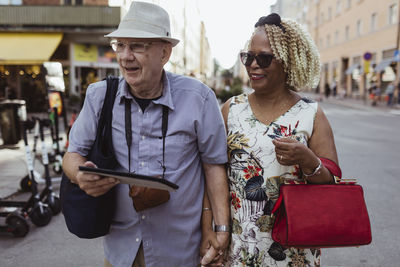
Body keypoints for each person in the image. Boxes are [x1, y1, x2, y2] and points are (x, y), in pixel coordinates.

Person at [62, 2, 230, 267]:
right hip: (121, 250)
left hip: (182, 251)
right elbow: (72, 154)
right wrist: (80, 175)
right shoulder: (99, 95)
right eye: (120, 45)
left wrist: (221, 229)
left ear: (164, 53)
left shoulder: (199, 98)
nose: (125, 56)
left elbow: (213, 167)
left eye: (137, 46)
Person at [202, 13, 339, 267]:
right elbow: (213, 173)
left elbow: (332, 182)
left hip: (295, 249)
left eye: (264, 58)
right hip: (241, 247)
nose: (254, 65)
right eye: (248, 57)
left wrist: (308, 160)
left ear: (286, 62)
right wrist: (210, 227)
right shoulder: (231, 109)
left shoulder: (311, 114)